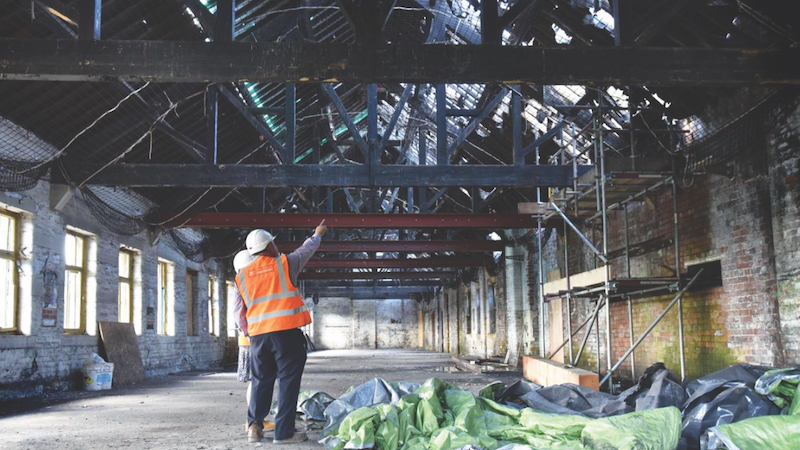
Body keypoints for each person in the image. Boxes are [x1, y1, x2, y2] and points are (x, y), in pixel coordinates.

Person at [235, 220, 328, 444]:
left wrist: (249, 334)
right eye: (273, 244)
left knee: (260, 380)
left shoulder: (242, 276)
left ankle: (254, 428)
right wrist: (317, 234)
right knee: (288, 381)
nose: (277, 247)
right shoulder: (285, 263)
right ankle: (283, 433)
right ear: (269, 247)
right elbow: (306, 251)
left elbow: (240, 312)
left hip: (258, 337)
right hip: (285, 334)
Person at [232, 250, 275, 434]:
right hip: (252, 340)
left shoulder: (245, 282)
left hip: (252, 339)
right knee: (256, 382)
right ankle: (255, 421)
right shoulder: (243, 282)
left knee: (257, 381)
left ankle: (257, 419)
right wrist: (251, 333)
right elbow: (238, 314)